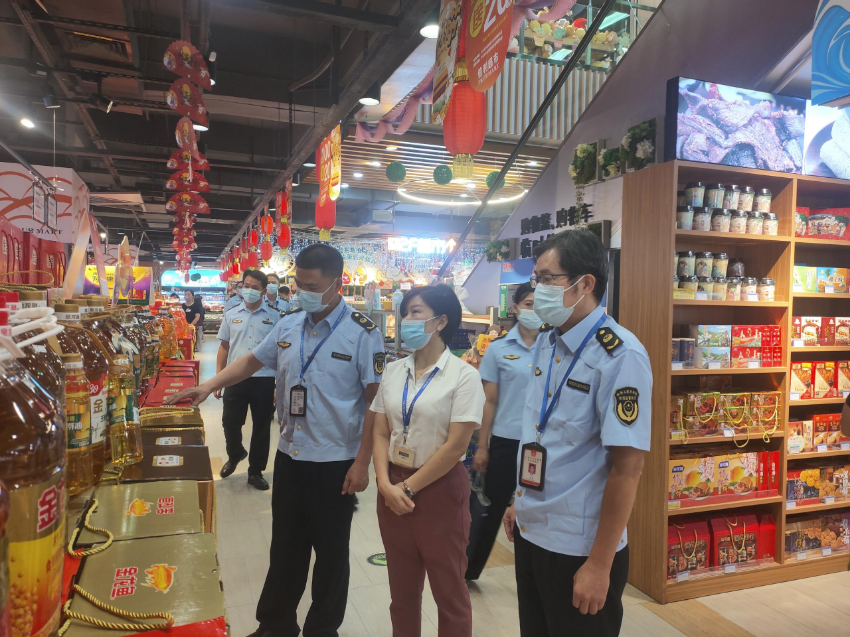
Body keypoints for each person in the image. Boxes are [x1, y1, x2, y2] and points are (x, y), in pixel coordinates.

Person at [165, 243, 384, 637]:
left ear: (336, 284)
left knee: (331, 553)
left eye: (311, 286)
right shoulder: (288, 324)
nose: (302, 292)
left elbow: (375, 404)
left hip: (335, 463)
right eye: (298, 284)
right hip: (289, 455)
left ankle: (323, 630)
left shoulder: (363, 334)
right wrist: (209, 385)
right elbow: (251, 361)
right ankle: (276, 626)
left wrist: (363, 462)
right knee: (285, 546)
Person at [503, 229, 651, 637]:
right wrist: (520, 498)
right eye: (535, 279)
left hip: (579, 548)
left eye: (547, 279)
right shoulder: (548, 342)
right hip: (532, 532)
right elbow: (540, 434)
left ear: (584, 284)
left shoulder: (620, 355)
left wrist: (600, 565)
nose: (538, 290)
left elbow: (628, 468)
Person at [371, 284, 485, 637]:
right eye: (404, 313)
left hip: (439, 489)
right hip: (392, 486)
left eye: (416, 312)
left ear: (441, 321)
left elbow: (456, 446)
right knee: (401, 594)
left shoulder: (464, 376)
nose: (407, 319)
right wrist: (384, 483)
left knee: (449, 593)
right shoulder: (393, 371)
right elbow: (380, 432)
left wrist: (406, 488)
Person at [465, 282, 539, 581]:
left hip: (540, 445)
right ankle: (469, 570)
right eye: (529, 304)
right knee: (491, 509)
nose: (535, 310)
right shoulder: (498, 348)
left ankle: (531, 575)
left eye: (539, 304)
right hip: (506, 441)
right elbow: (490, 401)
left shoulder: (554, 346)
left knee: (533, 510)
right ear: (516, 308)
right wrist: (482, 446)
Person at [215, 270, 280, 490]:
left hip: (264, 379)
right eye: (246, 285)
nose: (248, 290)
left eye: (254, 287)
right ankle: (235, 454)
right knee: (230, 422)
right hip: (235, 377)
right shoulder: (231, 313)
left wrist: (279, 384)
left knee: (262, 426)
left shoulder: (275, 317)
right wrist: (219, 377)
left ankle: (255, 472)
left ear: (263, 291)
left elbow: (280, 351)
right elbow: (224, 346)